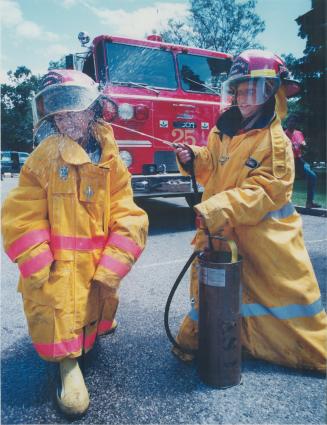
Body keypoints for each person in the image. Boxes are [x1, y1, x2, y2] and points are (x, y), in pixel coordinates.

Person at [1, 69, 149, 417]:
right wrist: (39, 262)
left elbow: (127, 211)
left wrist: (116, 260)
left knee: (94, 303)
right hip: (58, 269)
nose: (66, 120)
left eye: (73, 110)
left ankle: (95, 329)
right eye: (58, 113)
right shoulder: (45, 157)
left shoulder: (110, 156)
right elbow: (20, 212)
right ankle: (67, 365)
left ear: (92, 109)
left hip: (96, 266)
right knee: (60, 312)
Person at [173, 50, 327, 372]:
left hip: (266, 245)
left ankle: (302, 350)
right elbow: (212, 165)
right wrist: (194, 158)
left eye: (251, 91)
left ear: (272, 93)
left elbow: (264, 192)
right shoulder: (223, 130)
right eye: (238, 90)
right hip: (224, 231)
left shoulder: (276, 143)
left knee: (285, 306)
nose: (242, 99)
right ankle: (218, 339)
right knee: (216, 291)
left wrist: (214, 209)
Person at [285, 114, 321, 209]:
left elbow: (303, 144)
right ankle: (283, 203)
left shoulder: (299, 133)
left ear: (296, 123)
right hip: (289, 161)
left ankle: (309, 202)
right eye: (290, 121)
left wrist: (304, 146)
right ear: (287, 122)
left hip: (299, 160)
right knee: (287, 182)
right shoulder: (283, 135)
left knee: (312, 176)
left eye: (294, 121)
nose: (292, 123)